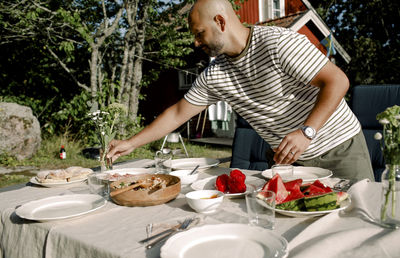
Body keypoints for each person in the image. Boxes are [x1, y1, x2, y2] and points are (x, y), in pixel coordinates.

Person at [107, 0, 374, 180]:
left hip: (341, 151)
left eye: (199, 33)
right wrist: (130, 143)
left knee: (358, 231)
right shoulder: (216, 74)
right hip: (292, 163)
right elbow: (178, 113)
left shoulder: (278, 44)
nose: (195, 42)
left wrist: (307, 131)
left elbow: (338, 81)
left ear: (221, 22)